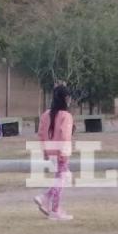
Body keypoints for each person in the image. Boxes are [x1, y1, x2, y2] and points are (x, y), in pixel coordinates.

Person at [34, 85, 75, 220]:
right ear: (66, 98)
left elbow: (41, 134)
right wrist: (63, 152)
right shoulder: (66, 116)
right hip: (61, 151)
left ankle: (46, 199)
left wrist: (45, 151)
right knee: (61, 179)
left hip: (51, 150)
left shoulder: (46, 114)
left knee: (62, 177)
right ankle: (54, 208)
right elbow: (65, 135)